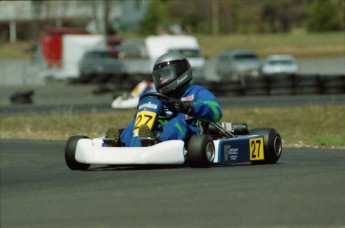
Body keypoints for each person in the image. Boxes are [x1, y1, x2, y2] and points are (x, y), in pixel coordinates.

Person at [104, 51, 222, 147]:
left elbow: (216, 111)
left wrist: (188, 106)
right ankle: (121, 143)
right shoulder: (159, 98)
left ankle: (157, 143)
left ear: (180, 72)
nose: (161, 79)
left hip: (190, 136)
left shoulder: (196, 92)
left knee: (177, 122)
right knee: (137, 124)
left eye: (165, 75)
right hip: (158, 132)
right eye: (159, 76)